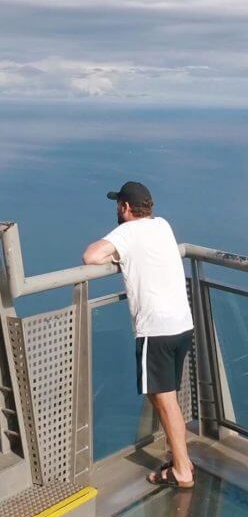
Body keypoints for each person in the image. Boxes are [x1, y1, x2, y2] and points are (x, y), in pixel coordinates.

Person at [82, 181, 195, 489]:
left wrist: (115, 254)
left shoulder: (126, 233)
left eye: (119, 204)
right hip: (182, 323)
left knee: (164, 398)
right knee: (162, 394)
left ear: (126, 208)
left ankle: (183, 469)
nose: (117, 209)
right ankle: (181, 458)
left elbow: (90, 257)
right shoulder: (162, 226)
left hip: (155, 330)